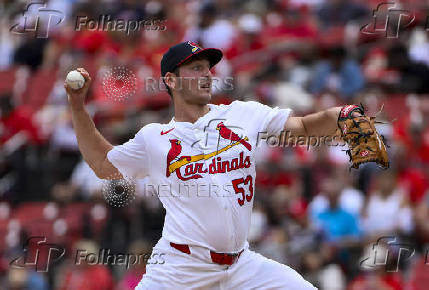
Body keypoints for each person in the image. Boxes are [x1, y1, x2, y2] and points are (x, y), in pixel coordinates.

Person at [65, 41, 363, 289]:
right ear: (171, 80)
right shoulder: (154, 138)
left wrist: (343, 117)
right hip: (180, 268)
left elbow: (302, 127)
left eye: (208, 68)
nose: (206, 74)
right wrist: (78, 107)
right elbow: (104, 165)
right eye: (195, 68)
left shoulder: (242, 115)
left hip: (241, 265)